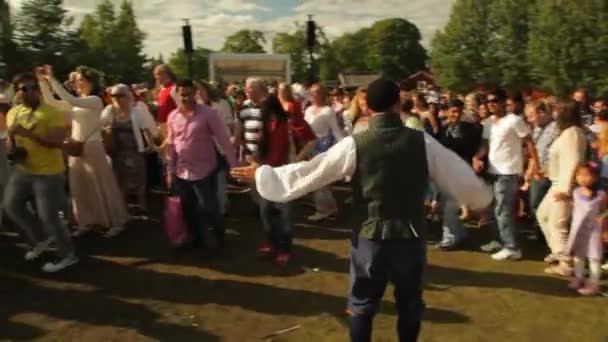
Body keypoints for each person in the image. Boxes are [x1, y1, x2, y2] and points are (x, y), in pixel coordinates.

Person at [231, 79, 492, 342]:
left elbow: (313, 171)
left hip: (370, 236)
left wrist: (265, 174)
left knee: (362, 304)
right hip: (410, 236)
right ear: (397, 104)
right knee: (410, 302)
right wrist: (480, 196)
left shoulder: (356, 143)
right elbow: (457, 174)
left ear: (367, 107)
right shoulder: (421, 141)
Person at [39, 65, 129, 238]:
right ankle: (85, 221)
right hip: (76, 146)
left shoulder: (94, 99)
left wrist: (52, 78)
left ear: (91, 82)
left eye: (80, 79)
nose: (77, 82)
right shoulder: (78, 100)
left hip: (93, 145)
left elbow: (70, 100)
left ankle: (115, 222)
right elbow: (52, 102)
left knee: (101, 184)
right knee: (79, 186)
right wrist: (43, 82)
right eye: (76, 80)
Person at [4, 72, 77, 272]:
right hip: (23, 170)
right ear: (18, 92)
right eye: (24, 89)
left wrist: (29, 134)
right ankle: (41, 239)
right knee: (12, 206)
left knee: (49, 217)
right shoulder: (13, 113)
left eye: (33, 88)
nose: (30, 92)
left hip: (48, 173)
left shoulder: (51, 113)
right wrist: (12, 147)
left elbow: (56, 142)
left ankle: (67, 255)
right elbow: (12, 140)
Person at [166, 79, 237, 254]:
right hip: (182, 172)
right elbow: (171, 146)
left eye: (189, 94)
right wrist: (169, 171)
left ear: (195, 94)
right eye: (182, 94)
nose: (185, 98)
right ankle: (196, 240)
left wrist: (234, 165)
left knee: (209, 208)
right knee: (188, 209)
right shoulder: (173, 116)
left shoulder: (209, 114)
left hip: (205, 171)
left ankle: (220, 239)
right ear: (177, 94)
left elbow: (224, 140)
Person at [473, 89, 540, 261]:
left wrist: (535, 166)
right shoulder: (488, 123)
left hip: (508, 172)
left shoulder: (514, 120)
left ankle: (511, 247)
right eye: (488, 101)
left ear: (504, 102)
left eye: (494, 100)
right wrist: (477, 157)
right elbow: (485, 146)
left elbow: (529, 143)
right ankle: (500, 241)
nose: (491, 103)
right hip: (492, 171)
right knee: (494, 209)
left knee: (503, 210)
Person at [255, 95, 316, 266]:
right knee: (266, 212)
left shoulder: (289, 123)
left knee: (285, 217)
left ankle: (284, 250)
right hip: (267, 174)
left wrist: (297, 159)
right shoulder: (266, 125)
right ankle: (271, 244)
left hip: (286, 176)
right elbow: (261, 150)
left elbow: (311, 139)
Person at [536, 101, 587, 275]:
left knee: (558, 223)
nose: (555, 114)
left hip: (564, 186)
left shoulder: (573, 134)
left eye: (557, 110)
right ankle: (558, 251)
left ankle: (566, 263)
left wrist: (566, 189)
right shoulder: (567, 133)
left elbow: (574, 162)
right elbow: (561, 158)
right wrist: (547, 170)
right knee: (543, 215)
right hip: (557, 183)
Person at [101, 84, 158, 212]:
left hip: (135, 150)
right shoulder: (109, 110)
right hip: (117, 152)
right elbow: (100, 126)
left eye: (120, 95)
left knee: (139, 179)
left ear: (127, 96)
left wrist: (150, 144)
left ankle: (142, 205)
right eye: (113, 95)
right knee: (120, 179)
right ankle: (123, 208)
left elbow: (145, 129)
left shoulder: (136, 111)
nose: (116, 98)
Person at [437, 99, 482, 249]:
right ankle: (460, 235)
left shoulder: (469, 129)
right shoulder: (443, 129)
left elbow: (470, 148)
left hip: (461, 170)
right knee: (450, 205)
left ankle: (449, 239)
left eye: (458, 112)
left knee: (451, 206)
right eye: (453, 111)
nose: (455, 115)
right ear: (447, 111)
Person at [304, 83, 345, 221]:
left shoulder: (328, 110)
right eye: (311, 92)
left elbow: (336, 130)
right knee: (317, 179)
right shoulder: (308, 110)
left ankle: (323, 209)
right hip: (309, 147)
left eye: (316, 92)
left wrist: (343, 146)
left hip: (323, 147)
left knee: (320, 179)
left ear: (322, 94)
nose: (313, 95)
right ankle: (329, 208)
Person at [566, 164, 606, 296]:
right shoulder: (576, 192)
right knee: (579, 255)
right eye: (580, 175)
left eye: (587, 175)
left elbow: (604, 210)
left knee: (594, 257)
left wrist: (603, 222)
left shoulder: (601, 195)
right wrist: (564, 198)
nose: (582, 178)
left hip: (594, 231)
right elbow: (577, 207)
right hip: (578, 230)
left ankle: (594, 283)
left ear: (595, 177)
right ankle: (579, 277)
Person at [522, 101, 559, 224]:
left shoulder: (558, 127)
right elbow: (535, 153)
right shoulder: (537, 129)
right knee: (535, 203)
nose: (529, 120)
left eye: (531, 116)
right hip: (539, 174)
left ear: (541, 113)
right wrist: (530, 170)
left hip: (553, 174)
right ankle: (540, 231)